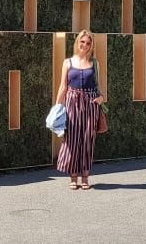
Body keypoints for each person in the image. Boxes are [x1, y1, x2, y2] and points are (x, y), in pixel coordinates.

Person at [54, 29, 105, 190]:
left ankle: (85, 177)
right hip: (72, 102)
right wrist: (57, 106)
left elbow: (99, 85)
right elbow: (63, 86)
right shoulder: (68, 62)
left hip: (91, 103)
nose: (85, 45)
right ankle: (73, 177)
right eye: (82, 42)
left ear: (91, 46)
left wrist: (101, 97)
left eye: (88, 43)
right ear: (77, 42)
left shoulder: (95, 63)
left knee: (88, 140)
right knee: (72, 139)